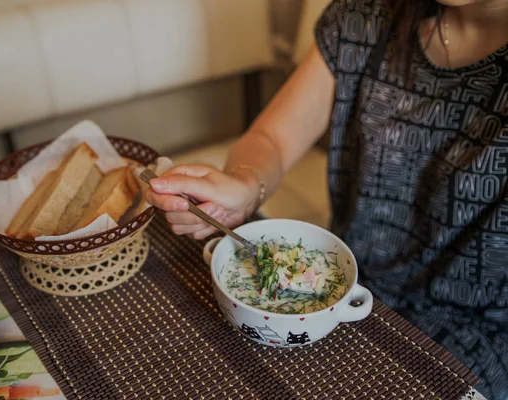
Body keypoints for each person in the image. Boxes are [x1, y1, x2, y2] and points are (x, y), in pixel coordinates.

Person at [145, 0, 508, 398]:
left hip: (475, 336)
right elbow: (273, 141)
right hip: (342, 292)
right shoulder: (363, 15)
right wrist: (246, 185)